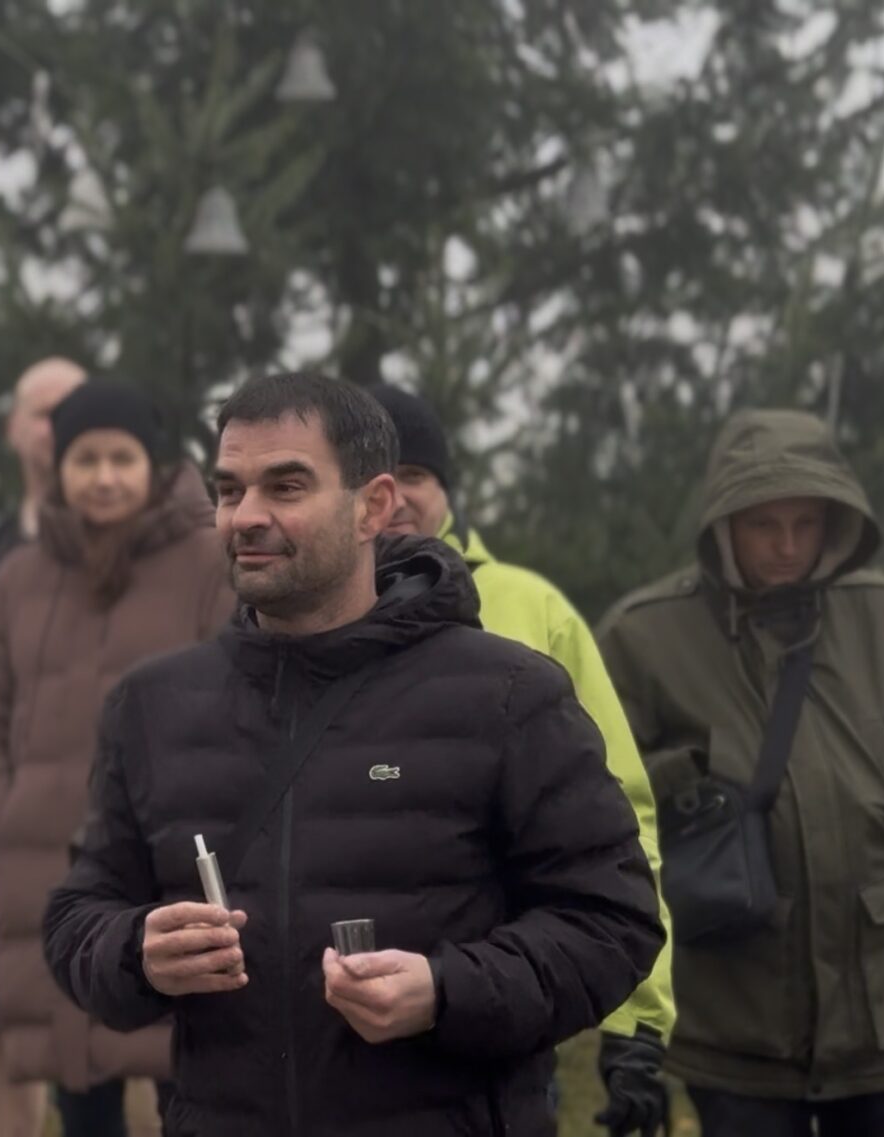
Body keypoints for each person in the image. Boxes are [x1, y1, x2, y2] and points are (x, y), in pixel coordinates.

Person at [43, 371, 665, 1135]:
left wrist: (446, 989)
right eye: (229, 490)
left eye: (286, 486)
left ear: (372, 506)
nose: (247, 516)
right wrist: (136, 951)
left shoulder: (506, 694)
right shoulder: (152, 706)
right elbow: (77, 916)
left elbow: (613, 920)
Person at [596, 409, 884, 1137]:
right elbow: (592, 801)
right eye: (764, 525)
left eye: (805, 523)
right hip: (735, 1017)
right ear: (723, 521)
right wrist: (690, 782)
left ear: (835, 522)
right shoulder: (643, 635)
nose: (787, 546)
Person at [367, 383, 676, 1135]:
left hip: (503, 1008)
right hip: (327, 1018)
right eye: (377, 478)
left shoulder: (533, 609)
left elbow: (619, 817)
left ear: (446, 487)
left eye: (416, 475)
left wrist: (636, 1019)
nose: (397, 497)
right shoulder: (289, 621)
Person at [0, 379, 234, 1136]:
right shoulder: (20, 576)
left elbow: (243, 701)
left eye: (121, 458)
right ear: (60, 468)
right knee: (75, 1083)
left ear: (152, 464)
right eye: (85, 459)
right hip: (43, 870)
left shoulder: (211, 563)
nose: (104, 477)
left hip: (163, 867)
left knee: (175, 1080)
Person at [0, 356, 86, 1137]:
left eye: (72, 407)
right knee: (0, 1043)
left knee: (136, 1053)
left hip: (107, 839)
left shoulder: (152, 554)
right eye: (41, 411)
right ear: (12, 429)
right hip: (0, 846)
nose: (56, 426)